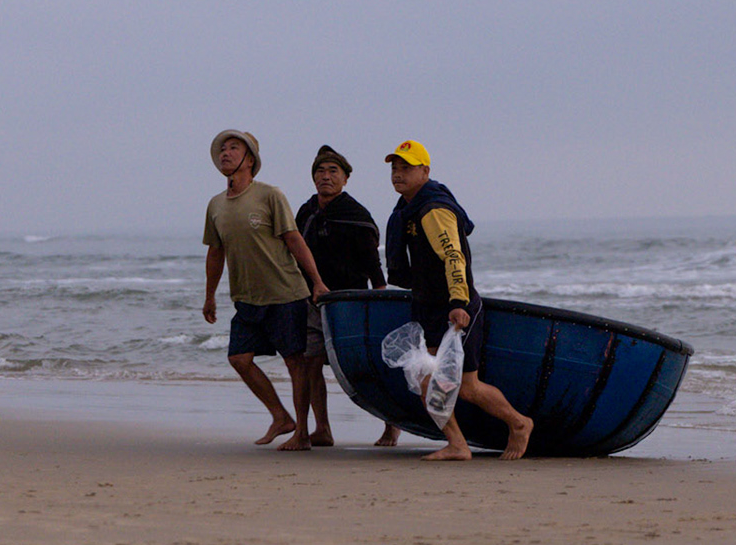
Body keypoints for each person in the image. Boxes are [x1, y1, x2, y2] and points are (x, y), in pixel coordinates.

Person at [383, 139, 533, 461]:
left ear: (425, 171)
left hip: (454, 308)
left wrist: (459, 303)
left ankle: (518, 424)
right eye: (394, 168)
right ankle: (458, 445)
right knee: (428, 381)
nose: (398, 173)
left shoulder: (433, 210)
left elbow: (454, 257)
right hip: (430, 307)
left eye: (406, 167)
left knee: (465, 387)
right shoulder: (408, 210)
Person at [201, 129, 329, 451]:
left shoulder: (270, 195)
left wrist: (316, 281)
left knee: (295, 362)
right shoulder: (215, 205)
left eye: (233, 148)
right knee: (239, 359)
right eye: (222, 150)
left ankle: (301, 433)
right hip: (246, 298)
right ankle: (280, 416)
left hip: (286, 293)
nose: (225, 154)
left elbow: (294, 240)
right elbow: (215, 253)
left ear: (250, 160)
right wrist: (209, 295)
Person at [294, 144, 400, 448]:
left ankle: (391, 426)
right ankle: (322, 429)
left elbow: (372, 262)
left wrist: (380, 296)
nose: (325, 176)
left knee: (365, 365)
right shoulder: (306, 211)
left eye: (332, 171)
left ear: (345, 178)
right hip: (313, 301)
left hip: (350, 302)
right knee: (311, 362)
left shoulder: (356, 214)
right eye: (320, 171)